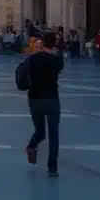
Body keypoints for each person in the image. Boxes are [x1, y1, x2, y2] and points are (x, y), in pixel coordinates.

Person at [24, 30, 64, 177]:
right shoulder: (56, 60)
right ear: (53, 45)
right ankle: (52, 168)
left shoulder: (32, 59)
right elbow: (59, 67)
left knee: (40, 131)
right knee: (54, 133)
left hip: (34, 98)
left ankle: (32, 145)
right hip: (51, 98)